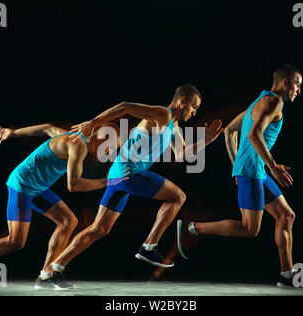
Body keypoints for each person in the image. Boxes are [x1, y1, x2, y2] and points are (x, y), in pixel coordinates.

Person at [43, 84, 224, 283]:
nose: (194, 112)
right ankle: (149, 246)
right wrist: (93, 123)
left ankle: (54, 269)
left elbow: (181, 155)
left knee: (99, 229)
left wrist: (207, 139)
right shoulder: (162, 114)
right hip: (129, 171)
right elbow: (125, 106)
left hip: (118, 175)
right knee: (178, 197)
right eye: (194, 106)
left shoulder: (174, 126)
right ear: (182, 101)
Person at [177, 65, 303, 289]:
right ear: (284, 83)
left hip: (254, 170)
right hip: (254, 171)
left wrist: (236, 166)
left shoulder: (258, 101)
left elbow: (229, 132)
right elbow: (253, 134)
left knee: (286, 216)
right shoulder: (274, 102)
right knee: (249, 229)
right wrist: (272, 166)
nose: (299, 90)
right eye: (297, 84)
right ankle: (191, 227)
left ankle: (287, 275)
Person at [0, 122, 121, 290]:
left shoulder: (74, 137)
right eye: (110, 147)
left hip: (37, 188)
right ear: (101, 139)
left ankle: (46, 275)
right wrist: (106, 182)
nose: (110, 151)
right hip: (22, 185)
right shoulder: (78, 145)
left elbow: (47, 128)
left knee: (68, 221)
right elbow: (73, 185)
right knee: (15, 242)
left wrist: (13, 133)